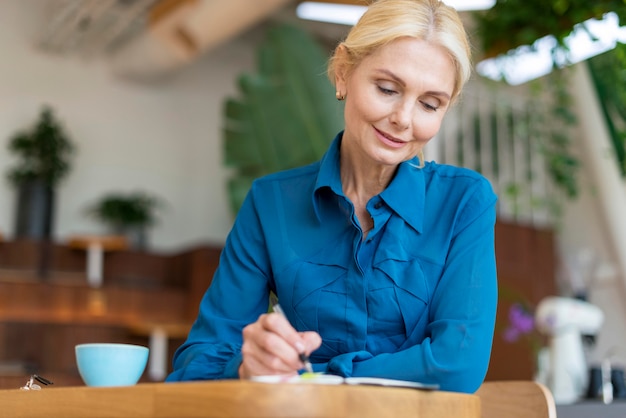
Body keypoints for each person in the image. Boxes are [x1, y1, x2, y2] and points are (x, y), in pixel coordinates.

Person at [167, 0, 497, 393]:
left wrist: (318, 376)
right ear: (343, 73)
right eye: (387, 89)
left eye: (429, 104)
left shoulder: (463, 202)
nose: (404, 119)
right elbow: (196, 364)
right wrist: (248, 365)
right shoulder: (269, 203)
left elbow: (457, 367)